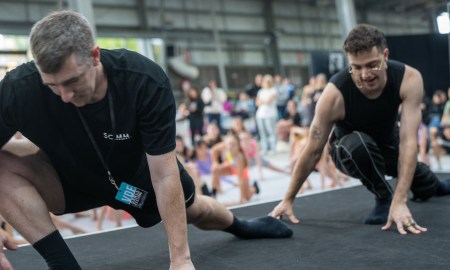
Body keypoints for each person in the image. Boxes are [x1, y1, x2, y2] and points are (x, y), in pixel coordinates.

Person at [0, 11, 292, 270]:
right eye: (52, 85)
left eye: (72, 81)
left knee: (197, 210)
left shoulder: (143, 80)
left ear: (95, 56)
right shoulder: (17, 90)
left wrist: (181, 261)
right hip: (66, 176)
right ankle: (62, 264)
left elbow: (164, 175)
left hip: (138, 176)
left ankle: (240, 226)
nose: (65, 95)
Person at [270, 24, 450, 235]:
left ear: (385, 55)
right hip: (349, 150)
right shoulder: (334, 95)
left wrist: (402, 201)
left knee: (426, 185)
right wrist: (288, 198)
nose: (364, 74)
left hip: (388, 146)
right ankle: (384, 197)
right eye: (356, 67)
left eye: (371, 65)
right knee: (358, 143)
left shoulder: (408, 79)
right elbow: (312, 149)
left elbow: (409, 141)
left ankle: (433, 185)